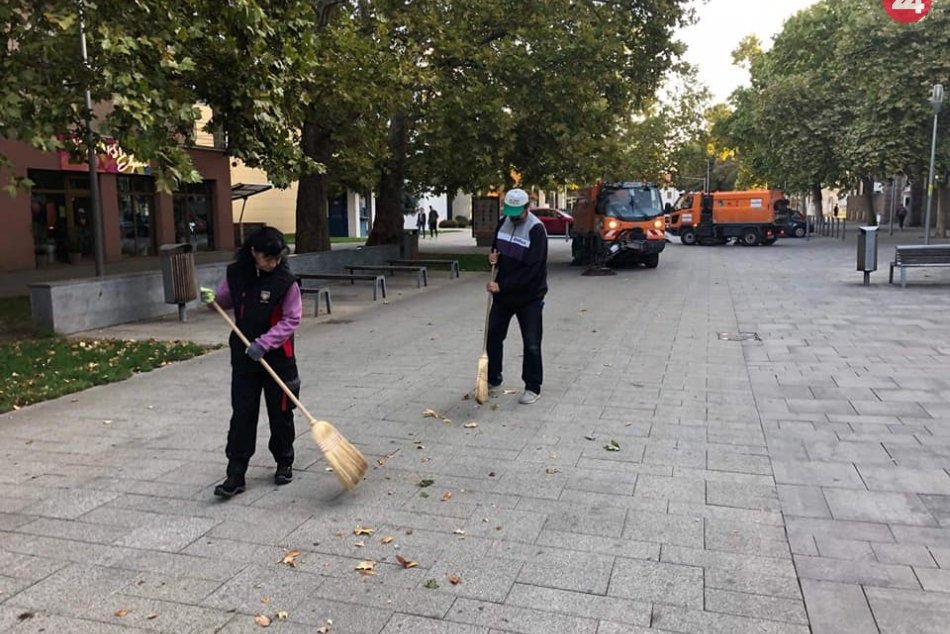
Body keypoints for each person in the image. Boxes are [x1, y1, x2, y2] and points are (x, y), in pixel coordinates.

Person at [199, 227, 302, 498]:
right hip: (244, 356)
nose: (273, 263)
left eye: (277, 258)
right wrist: (212, 300)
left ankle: (284, 461)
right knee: (243, 413)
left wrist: (264, 343)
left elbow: (292, 319)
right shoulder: (237, 274)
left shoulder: (285, 281)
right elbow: (225, 299)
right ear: (253, 252)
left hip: (278, 357)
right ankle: (236, 472)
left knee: (280, 412)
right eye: (268, 258)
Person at [486, 188, 548, 405]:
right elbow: (497, 249)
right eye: (510, 212)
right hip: (503, 296)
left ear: (527, 207)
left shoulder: (536, 230)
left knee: (531, 343)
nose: (513, 216)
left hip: (529, 297)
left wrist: (501, 286)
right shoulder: (504, 222)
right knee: (493, 335)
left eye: (517, 212)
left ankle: (533, 386)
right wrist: (493, 258)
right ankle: (493, 378)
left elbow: (533, 271)